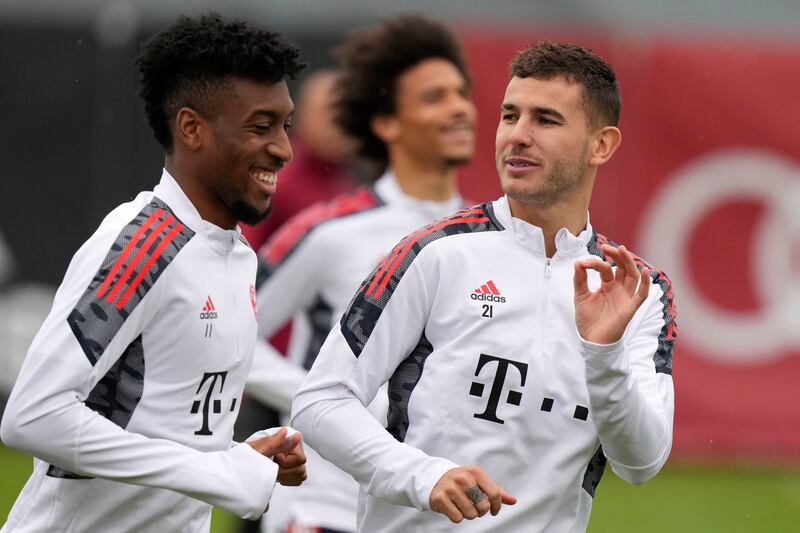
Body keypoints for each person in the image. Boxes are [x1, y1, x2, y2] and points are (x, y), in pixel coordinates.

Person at [291, 41, 678, 532]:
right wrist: (423, 476)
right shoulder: (435, 252)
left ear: (601, 145)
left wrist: (604, 357)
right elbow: (320, 401)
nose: (518, 136)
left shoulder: (639, 291)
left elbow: (640, 463)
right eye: (509, 116)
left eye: (546, 120)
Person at [0, 14, 308, 532]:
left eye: (284, 125)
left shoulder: (237, 256)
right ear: (191, 128)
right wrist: (216, 472)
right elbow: (32, 417)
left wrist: (241, 455)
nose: (283, 148)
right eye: (260, 126)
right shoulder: (144, 244)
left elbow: (165, 431)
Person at [245, 14, 477, 533]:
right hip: (322, 509)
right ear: (387, 122)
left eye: (461, 93)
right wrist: (322, 396)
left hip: (427, 516)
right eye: (434, 97)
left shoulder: (491, 241)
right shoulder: (329, 232)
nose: (460, 107)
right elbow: (229, 335)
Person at [239, 68, 359, 252]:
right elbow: (245, 248)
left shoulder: (351, 181)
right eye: (328, 113)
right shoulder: (274, 176)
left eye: (346, 116)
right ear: (302, 114)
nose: (337, 126)